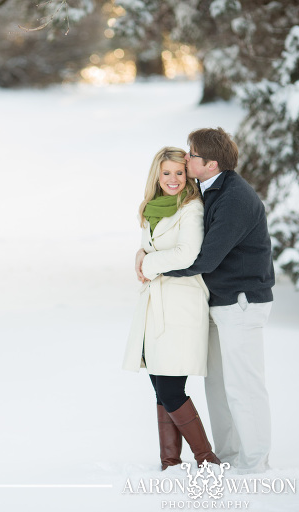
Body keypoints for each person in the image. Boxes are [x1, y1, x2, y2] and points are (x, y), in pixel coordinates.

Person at [138, 128, 275, 474]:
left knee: (244, 384)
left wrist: (152, 267)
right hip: (218, 302)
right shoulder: (210, 189)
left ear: (210, 164)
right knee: (217, 385)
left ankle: (256, 462)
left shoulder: (234, 198)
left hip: (241, 302)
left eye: (192, 155)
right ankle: (228, 456)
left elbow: (204, 258)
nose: (186, 159)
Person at [124, 147, 221, 470]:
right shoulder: (152, 208)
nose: (173, 179)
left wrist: (148, 262)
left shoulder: (191, 208)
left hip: (180, 303)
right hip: (156, 304)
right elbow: (151, 245)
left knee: (171, 387)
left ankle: (207, 460)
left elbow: (187, 254)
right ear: (157, 175)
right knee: (159, 386)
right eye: (166, 173)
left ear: (188, 175)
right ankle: (170, 462)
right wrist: (141, 254)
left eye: (179, 172)